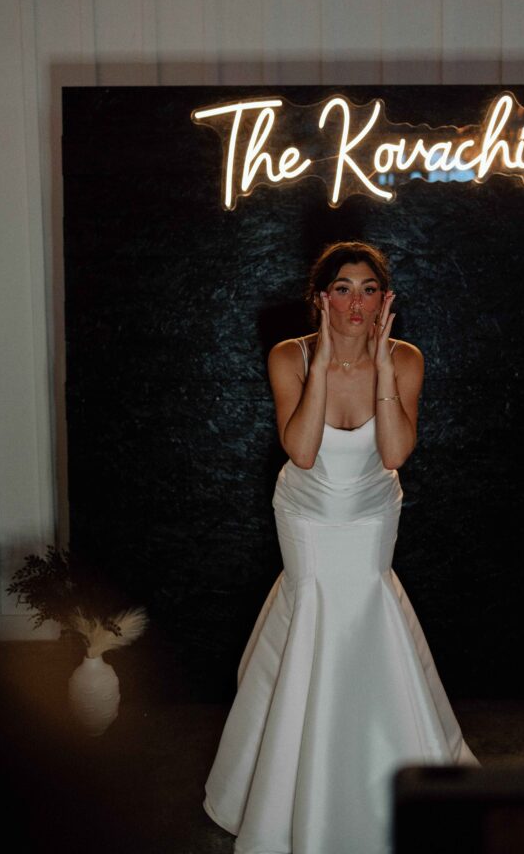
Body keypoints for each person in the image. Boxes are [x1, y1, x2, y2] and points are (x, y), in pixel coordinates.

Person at [203, 241, 478, 854]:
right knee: (315, 610)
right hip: (308, 513)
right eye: (344, 288)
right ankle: (284, 790)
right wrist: (324, 359)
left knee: (366, 611)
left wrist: (380, 367)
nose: (357, 301)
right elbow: (301, 451)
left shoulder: (406, 360)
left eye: (369, 289)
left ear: (386, 301)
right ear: (321, 298)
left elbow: (394, 453)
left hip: (371, 509)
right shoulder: (289, 357)